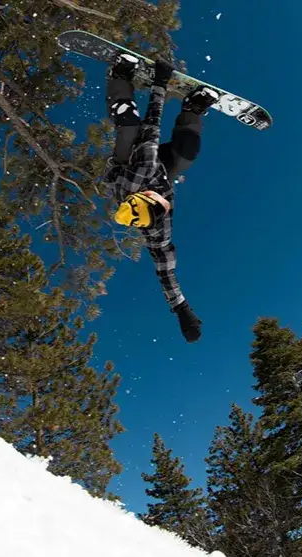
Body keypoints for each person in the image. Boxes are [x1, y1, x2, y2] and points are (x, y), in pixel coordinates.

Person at [102, 53, 219, 343]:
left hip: (131, 160)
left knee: (129, 123)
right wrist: (181, 307)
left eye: (155, 198)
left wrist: (160, 83)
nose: (163, 200)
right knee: (188, 152)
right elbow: (164, 270)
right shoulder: (158, 230)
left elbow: (151, 125)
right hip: (162, 169)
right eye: (161, 205)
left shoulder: (141, 175)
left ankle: (120, 77)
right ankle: (192, 109)